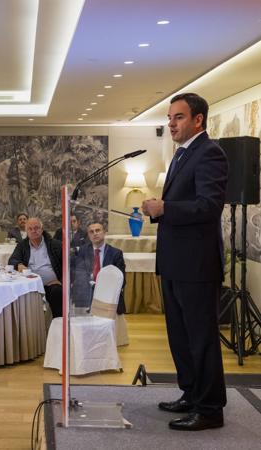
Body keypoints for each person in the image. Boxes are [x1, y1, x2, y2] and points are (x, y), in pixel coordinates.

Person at [142, 92, 227, 431]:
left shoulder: (210, 153)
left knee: (201, 338)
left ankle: (209, 410)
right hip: (176, 263)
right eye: (169, 117)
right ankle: (191, 394)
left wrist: (165, 209)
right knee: (180, 336)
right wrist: (161, 210)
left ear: (197, 120)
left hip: (196, 265)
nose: (171, 123)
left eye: (178, 117)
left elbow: (209, 206)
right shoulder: (181, 155)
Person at [8, 218, 63, 317]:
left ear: (42, 230)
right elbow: (12, 260)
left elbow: (68, 264)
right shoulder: (22, 246)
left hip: (51, 285)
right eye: (30, 229)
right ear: (26, 232)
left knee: (57, 292)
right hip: (30, 286)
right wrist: (19, 264)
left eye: (36, 228)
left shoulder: (55, 245)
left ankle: (58, 324)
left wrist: (61, 281)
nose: (33, 231)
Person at [71, 223, 126, 314]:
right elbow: (79, 274)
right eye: (91, 232)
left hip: (107, 294)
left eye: (98, 230)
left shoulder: (116, 253)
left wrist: (100, 287)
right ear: (88, 235)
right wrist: (92, 285)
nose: (95, 233)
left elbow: (121, 280)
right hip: (87, 293)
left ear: (104, 232)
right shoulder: (83, 251)